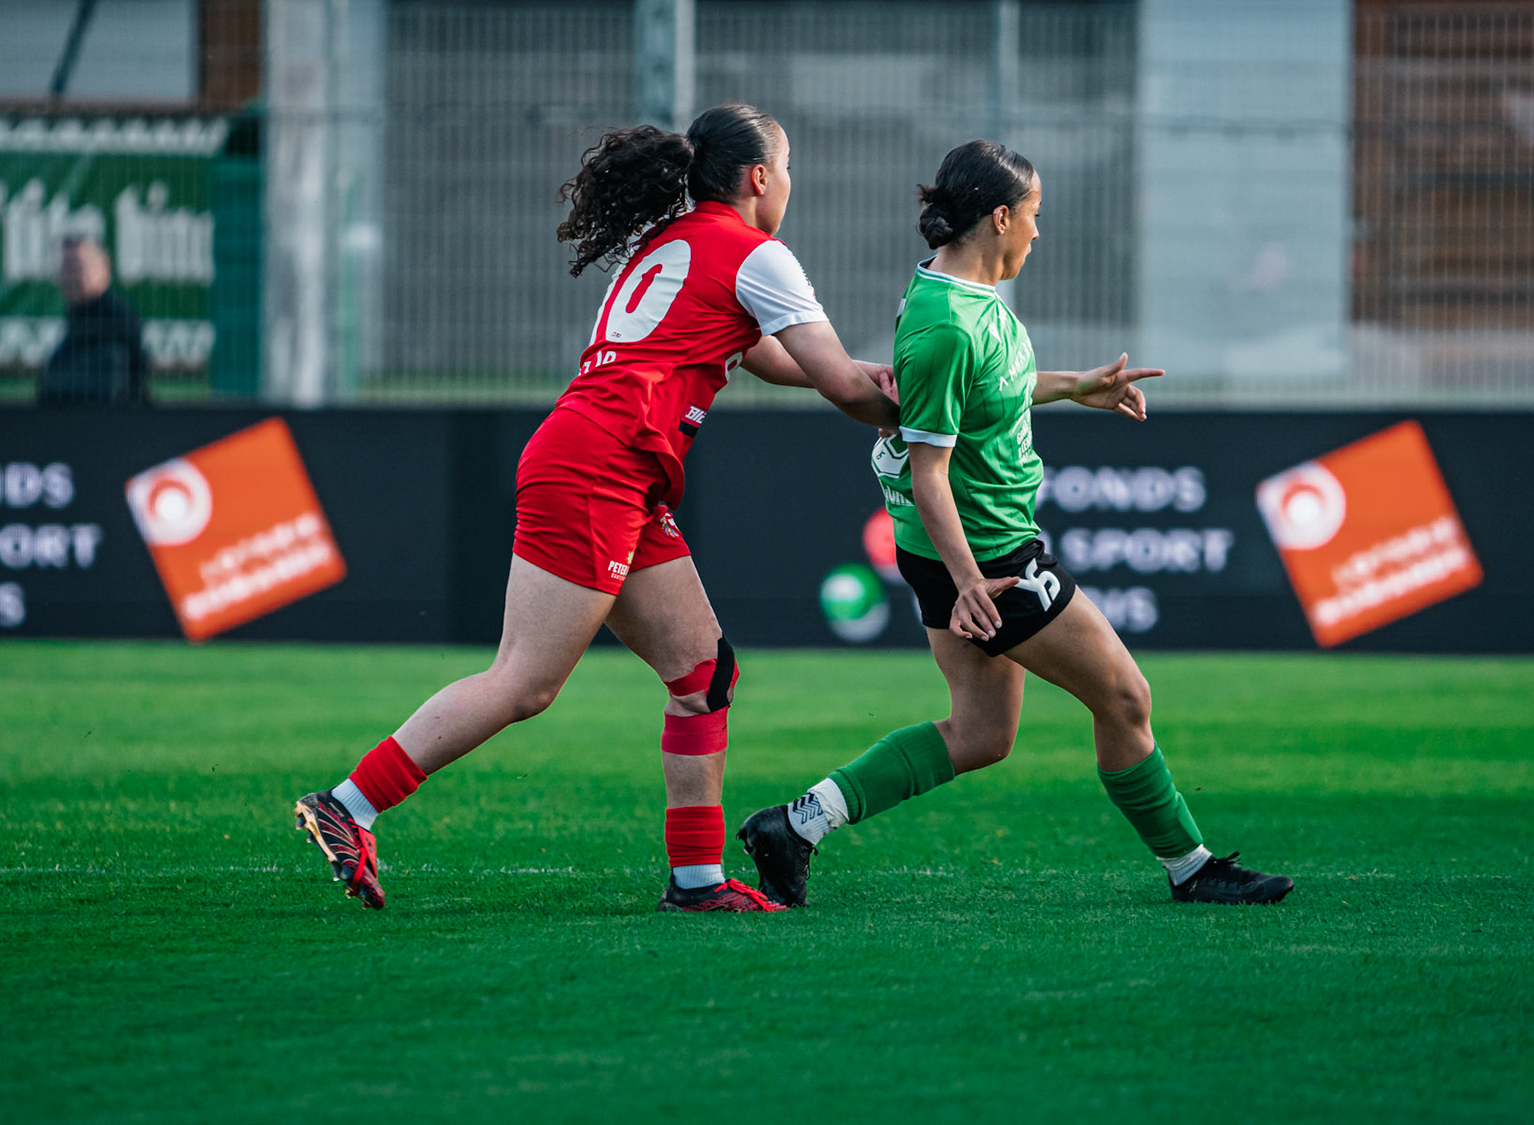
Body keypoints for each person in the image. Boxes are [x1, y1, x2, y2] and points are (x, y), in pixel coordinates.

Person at [294, 103, 899, 913]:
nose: (790, 183)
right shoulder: (758, 254)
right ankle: (350, 803)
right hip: (597, 469)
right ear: (759, 177)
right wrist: (939, 402)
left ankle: (696, 884)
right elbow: (841, 386)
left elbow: (778, 359)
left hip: (611, 469)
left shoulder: (670, 244)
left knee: (702, 675)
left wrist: (880, 378)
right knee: (525, 683)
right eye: (787, 168)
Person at [739, 140, 1293, 908]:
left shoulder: (962, 300)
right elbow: (929, 470)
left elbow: (992, 389)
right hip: (991, 556)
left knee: (981, 735)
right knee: (1126, 698)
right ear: (999, 218)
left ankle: (796, 825)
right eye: (1033, 216)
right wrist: (970, 582)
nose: (1039, 231)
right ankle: (1192, 868)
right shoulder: (945, 326)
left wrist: (1078, 385)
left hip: (963, 553)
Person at [36, 235, 148, 407]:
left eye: (77, 267)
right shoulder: (76, 317)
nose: (70, 277)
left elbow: (115, 384)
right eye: (65, 268)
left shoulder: (115, 317)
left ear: (104, 267)